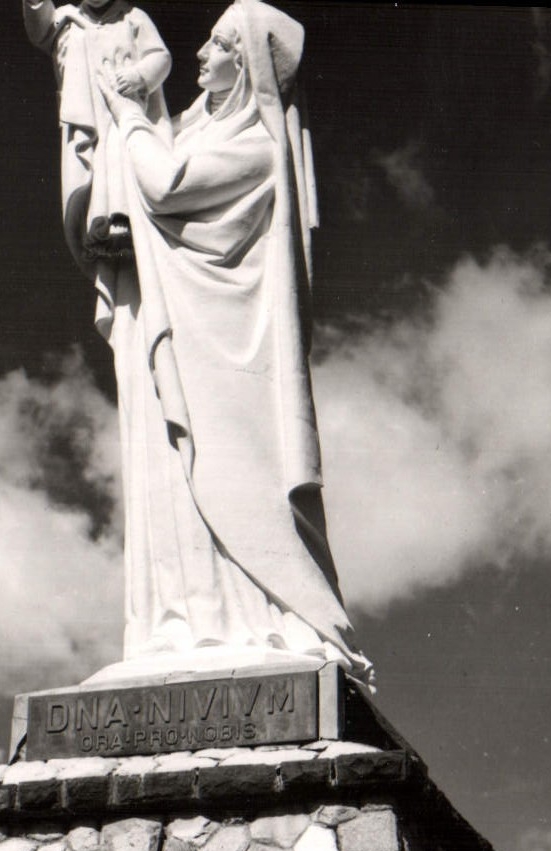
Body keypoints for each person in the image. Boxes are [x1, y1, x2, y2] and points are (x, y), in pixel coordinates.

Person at [92, 0, 373, 684]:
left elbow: (164, 184)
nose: (199, 55)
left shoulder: (254, 147)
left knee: (233, 478)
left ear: (244, 64)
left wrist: (127, 114)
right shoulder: (195, 129)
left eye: (217, 46)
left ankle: (263, 620)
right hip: (177, 339)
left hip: (226, 358)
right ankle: (189, 621)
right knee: (173, 473)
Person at [23, 1, 172, 265]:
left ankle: (123, 221)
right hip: (88, 120)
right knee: (96, 171)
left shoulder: (133, 18)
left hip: (125, 111)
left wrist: (138, 75)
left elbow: (160, 56)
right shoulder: (65, 19)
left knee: (121, 158)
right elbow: (39, 28)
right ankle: (101, 226)